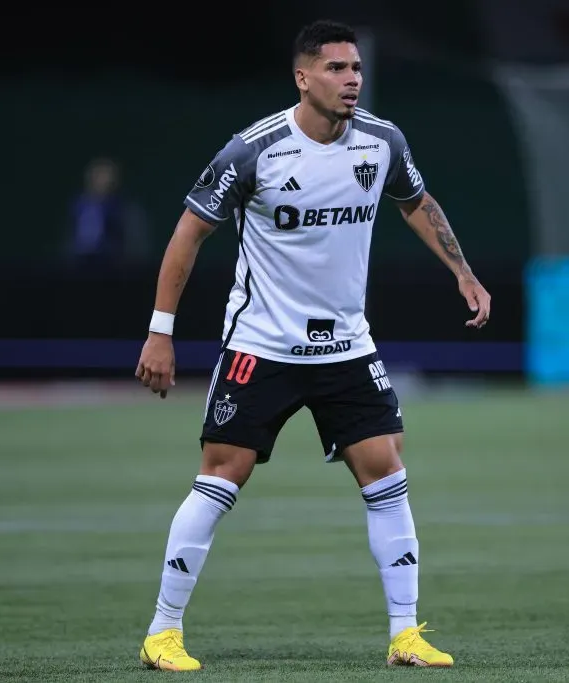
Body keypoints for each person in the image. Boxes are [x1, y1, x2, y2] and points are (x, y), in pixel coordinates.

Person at [134, 18, 491, 671]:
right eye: (336, 68)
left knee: (386, 467)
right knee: (222, 472)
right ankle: (163, 631)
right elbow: (188, 232)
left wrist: (462, 271)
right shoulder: (254, 150)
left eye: (355, 68)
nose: (351, 79)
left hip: (348, 348)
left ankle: (405, 634)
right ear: (303, 77)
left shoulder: (381, 142)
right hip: (261, 346)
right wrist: (161, 332)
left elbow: (415, 201)